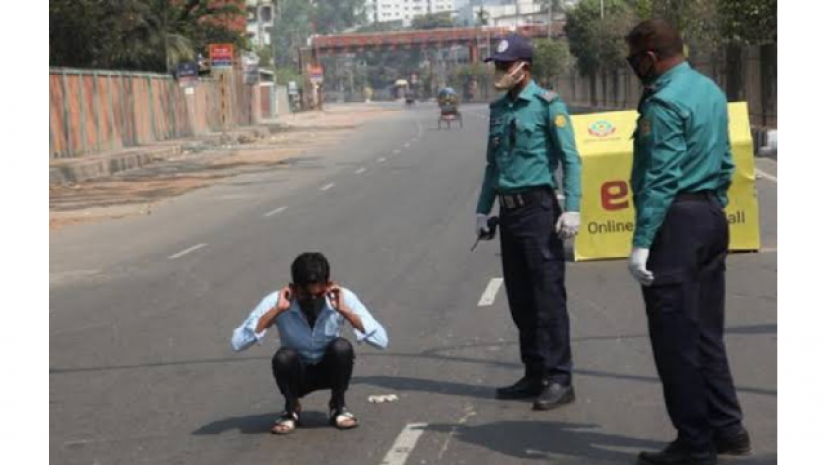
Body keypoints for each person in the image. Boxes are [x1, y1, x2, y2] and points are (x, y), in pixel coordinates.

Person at [624, 19, 750, 465]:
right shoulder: (710, 90)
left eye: (635, 59)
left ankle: (694, 444)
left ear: (650, 57)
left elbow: (660, 179)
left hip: (675, 223)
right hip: (710, 217)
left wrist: (643, 241)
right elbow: (727, 159)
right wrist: (709, 206)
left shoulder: (663, 102)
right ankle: (728, 428)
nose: (635, 67)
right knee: (706, 334)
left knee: (675, 340)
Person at [475, 34, 582, 411]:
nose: (500, 72)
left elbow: (571, 159)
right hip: (509, 211)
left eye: (506, 66)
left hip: (538, 208)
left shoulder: (548, 106)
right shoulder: (499, 109)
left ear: (524, 68)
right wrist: (482, 208)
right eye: (498, 66)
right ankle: (534, 372)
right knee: (521, 299)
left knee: (548, 298)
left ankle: (559, 378)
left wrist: (573, 207)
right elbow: (493, 164)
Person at [231, 252, 389, 435]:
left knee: (342, 347)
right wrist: (276, 311)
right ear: (293, 288)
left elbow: (381, 341)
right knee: (283, 357)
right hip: (298, 373)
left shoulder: (342, 298)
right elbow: (238, 343)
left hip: (329, 370)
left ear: (329, 285)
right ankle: (291, 409)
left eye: (319, 294)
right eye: (306, 295)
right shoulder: (278, 301)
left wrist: (345, 311)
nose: (313, 300)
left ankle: (338, 406)